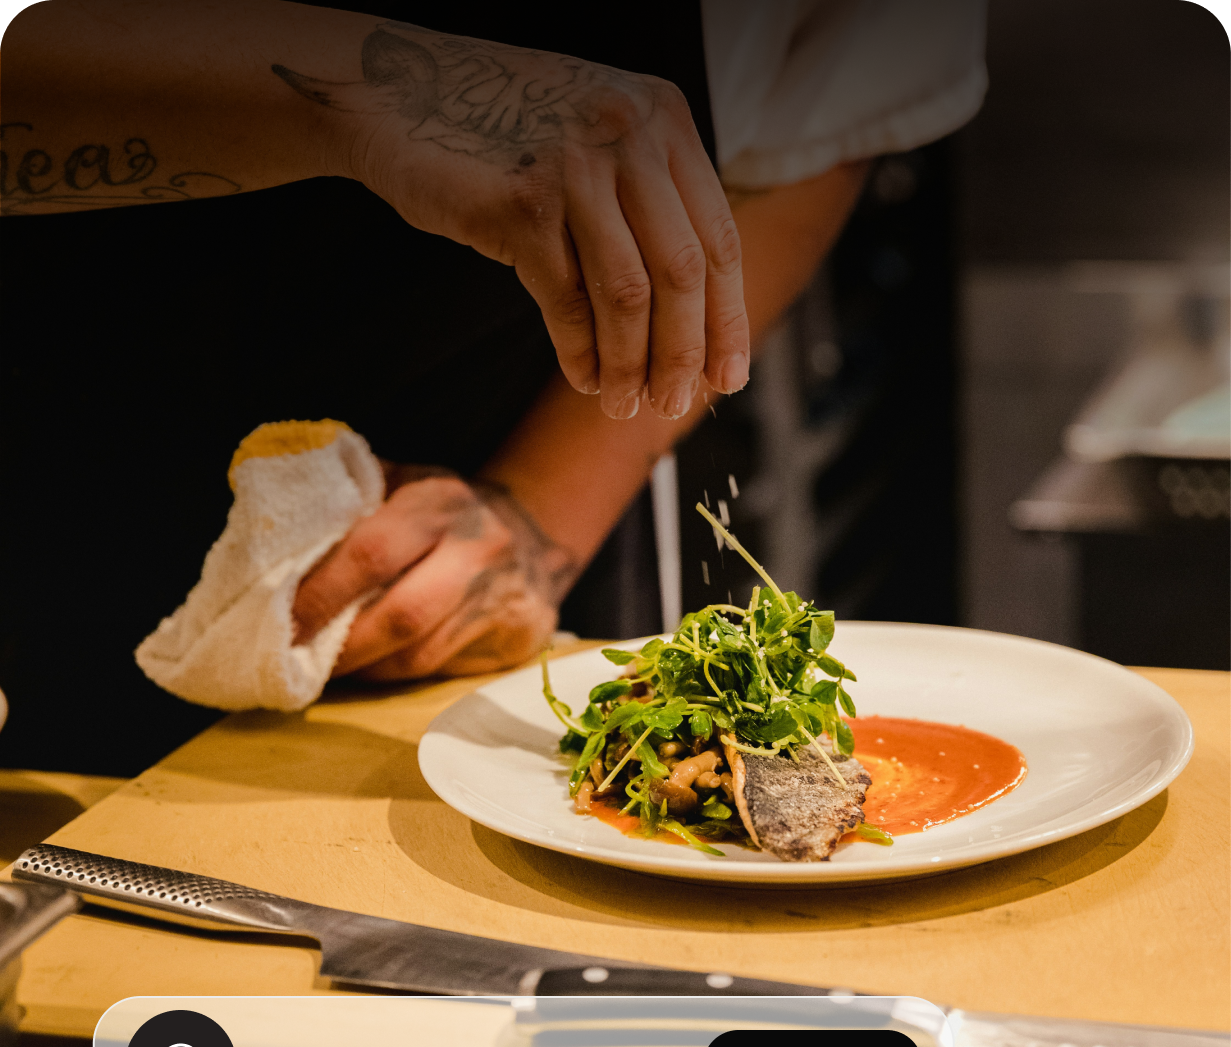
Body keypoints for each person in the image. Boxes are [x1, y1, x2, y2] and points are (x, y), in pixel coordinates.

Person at [0, 0, 986, 774]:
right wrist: (362, 93)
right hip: (42, 510)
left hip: (473, 541)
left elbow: (820, 122)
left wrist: (533, 521)